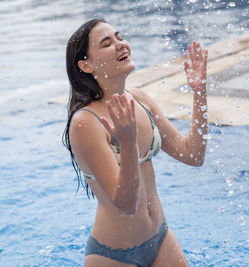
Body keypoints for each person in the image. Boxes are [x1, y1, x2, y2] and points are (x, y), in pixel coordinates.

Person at [63, 18, 208, 267]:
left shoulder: (140, 101)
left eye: (120, 37)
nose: (121, 45)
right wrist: (128, 143)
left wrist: (200, 92)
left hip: (161, 239)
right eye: (107, 43)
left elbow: (193, 155)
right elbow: (126, 204)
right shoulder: (85, 123)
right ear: (86, 65)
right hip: (114, 255)